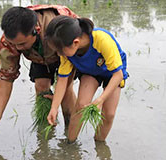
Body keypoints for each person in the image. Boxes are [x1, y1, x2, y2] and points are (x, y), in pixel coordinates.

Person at [0, 5, 78, 130]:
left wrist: (58, 95)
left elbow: (73, 59)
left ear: (37, 30)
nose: (18, 48)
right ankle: (46, 129)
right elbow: (6, 77)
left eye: (22, 43)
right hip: (39, 57)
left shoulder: (59, 28)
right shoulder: (9, 40)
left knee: (65, 92)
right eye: (15, 44)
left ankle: (71, 130)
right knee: (41, 87)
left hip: (67, 53)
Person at [46, 15, 128, 143]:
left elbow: (118, 75)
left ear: (76, 43)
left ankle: (100, 145)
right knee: (81, 106)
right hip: (90, 71)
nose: (58, 54)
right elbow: (62, 80)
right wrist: (54, 108)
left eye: (59, 51)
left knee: (109, 114)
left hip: (113, 74)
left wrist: (100, 100)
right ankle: (70, 143)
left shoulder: (101, 39)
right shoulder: (67, 53)